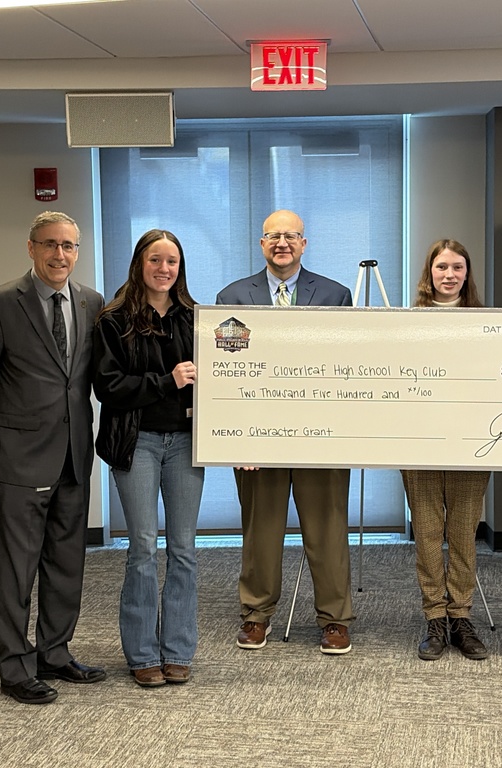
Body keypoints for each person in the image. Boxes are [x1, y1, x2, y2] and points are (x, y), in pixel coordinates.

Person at [0, 211, 106, 705]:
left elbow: (92, 379)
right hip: (19, 457)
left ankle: (55, 651)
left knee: (66, 563)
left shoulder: (93, 302)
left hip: (74, 455)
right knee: (18, 569)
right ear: (31, 248)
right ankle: (14, 664)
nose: (60, 255)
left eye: (68, 246)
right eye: (49, 245)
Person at [215, 210, 356, 655]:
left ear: (304, 242)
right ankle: (256, 615)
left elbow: (348, 368)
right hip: (258, 437)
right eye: (273, 236)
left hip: (320, 435)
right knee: (261, 528)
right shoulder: (233, 297)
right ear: (261, 244)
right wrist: (237, 438)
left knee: (328, 528)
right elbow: (226, 373)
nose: (282, 243)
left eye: (290, 236)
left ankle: (335, 619)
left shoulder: (336, 295)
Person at [92, 229, 204, 687]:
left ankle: (178, 650)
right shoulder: (113, 320)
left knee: (184, 550)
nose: (164, 269)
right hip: (135, 443)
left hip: (186, 445)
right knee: (142, 549)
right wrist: (166, 381)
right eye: (155, 260)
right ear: (140, 264)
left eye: (172, 261)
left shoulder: (197, 319)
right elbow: (109, 388)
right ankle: (141, 654)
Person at [402, 240, 492, 661]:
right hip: (418, 443)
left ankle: (461, 617)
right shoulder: (408, 323)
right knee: (426, 532)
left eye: (458, 267)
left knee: (462, 533)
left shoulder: (486, 324)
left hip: (471, 445)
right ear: (430, 272)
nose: (450, 274)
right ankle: (434, 618)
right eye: (442, 267)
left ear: (466, 273)